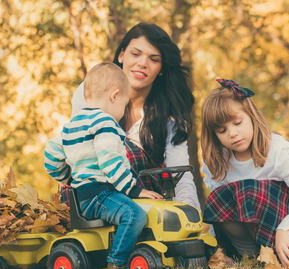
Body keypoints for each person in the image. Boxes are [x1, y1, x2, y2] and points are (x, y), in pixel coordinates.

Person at [44, 62, 161, 269]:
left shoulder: (71, 126)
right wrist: (134, 190)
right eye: (125, 104)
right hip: (101, 194)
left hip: (84, 196)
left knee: (128, 211)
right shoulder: (105, 122)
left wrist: (69, 180)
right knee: (134, 214)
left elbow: (50, 157)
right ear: (115, 96)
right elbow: (110, 162)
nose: (123, 112)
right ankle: (115, 265)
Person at [71, 22, 201, 212]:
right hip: (97, 196)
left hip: (147, 203)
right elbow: (76, 149)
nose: (142, 63)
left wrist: (189, 214)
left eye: (154, 59)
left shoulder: (170, 115)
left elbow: (179, 175)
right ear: (121, 55)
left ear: (162, 68)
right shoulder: (89, 92)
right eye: (136, 54)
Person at [200, 79, 289, 267]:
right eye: (222, 130)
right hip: (252, 235)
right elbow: (218, 212)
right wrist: (214, 248)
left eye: (237, 122)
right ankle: (250, 255)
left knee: (249, 190)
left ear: (251, 116)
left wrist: (284, 229)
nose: (232, 133)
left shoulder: (278, 151)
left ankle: (282, 252)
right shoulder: (219, 162)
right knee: (220, 198)